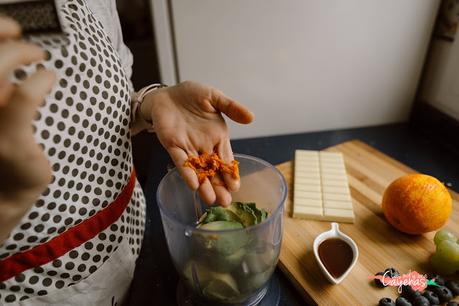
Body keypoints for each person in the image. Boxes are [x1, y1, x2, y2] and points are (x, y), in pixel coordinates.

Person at [0, 0, 254, 304]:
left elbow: (100, 109)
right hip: (40, 291)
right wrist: (8, 204)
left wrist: (151, 103)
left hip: (127, 249)